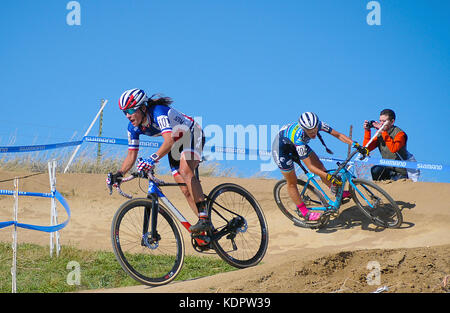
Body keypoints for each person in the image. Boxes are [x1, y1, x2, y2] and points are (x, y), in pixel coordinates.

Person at [107, 88, 209, 233]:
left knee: (185, 170)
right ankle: (205, 231)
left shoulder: (158, 112)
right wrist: (119, 174)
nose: (127, 116)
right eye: (124, 112)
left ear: (143, 108)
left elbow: (169, 141)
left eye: (130, 110)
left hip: (192, 134)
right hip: (177, 144)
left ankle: (204, 218)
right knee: (185, 190)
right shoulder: (133, 128)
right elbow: (131, 156)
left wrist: (151, 159)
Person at [272, 112, 368, 221]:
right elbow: (310, 167)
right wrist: (329, 177)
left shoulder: (318, 125)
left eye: (314, 130)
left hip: (296, 144)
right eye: (310, 132)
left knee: (321, 167)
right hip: (282, 151)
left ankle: (335, 192)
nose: (313, 133)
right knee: (292, 181)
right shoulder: (299, 139)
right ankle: (304, 212)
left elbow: (339, 135)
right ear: (304, 129)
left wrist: (356, 145)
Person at [363, 109, 419, 181]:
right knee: (375, 170)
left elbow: (394, 149)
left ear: (392, 122)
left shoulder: (400, 134)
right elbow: (366, 149)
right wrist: (367, 131)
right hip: (387, 169)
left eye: (384, 121)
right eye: (380, 121)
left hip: (401, 172)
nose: (381, 124)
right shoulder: (379, 133)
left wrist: (383, 132)